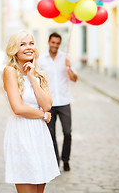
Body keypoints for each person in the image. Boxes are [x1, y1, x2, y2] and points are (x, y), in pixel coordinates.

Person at [3, 30, 60, 193]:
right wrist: (43, 115)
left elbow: (47, 104)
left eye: (31, 43)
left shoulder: (40, 74)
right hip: (21, 133)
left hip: (39, 134)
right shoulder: (10, 72)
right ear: (14, 49)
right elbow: (18, 108)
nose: (28, 48)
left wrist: (32, 76)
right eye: (22, 44)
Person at [39, 32, 78, 172]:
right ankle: (55, 161)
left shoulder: (65, 58)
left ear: (60, 44)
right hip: (48, 103)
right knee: (51, 135)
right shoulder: (41, 59)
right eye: (53, 42)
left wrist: (68, 67)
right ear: (49, 42)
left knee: (68, 132)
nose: (55, 45)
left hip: (64, 100)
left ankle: (65, 160)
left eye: (57, 43)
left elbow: (74, 78)